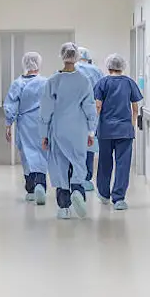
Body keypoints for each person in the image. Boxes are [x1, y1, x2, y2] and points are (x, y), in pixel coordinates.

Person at [40, 43, 97, 219]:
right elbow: (90, 108)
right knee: (79, 163)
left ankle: (64, 207)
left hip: (58, 129)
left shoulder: (53, 81)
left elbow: (46, 110)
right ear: (77, 57)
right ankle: (78, 191)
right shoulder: (84, 81)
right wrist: (91, 132)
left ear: (62, 56)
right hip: (78, 129)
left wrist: (43, 134)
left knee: (61, 166)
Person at [94, 54, 143, 210]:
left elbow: (97, 107)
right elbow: (135, 108)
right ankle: (119, 198)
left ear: (108, 67)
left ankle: (103, 194)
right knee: (123, 164)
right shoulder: (129, 83)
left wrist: (92, 127)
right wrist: (132, 125)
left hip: (105, 130)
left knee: (104, 162)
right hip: (124, 131)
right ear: (122, 67)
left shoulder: (102, 83)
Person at [4, 52, 49, 205]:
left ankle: (30, 189)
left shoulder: (18, 83)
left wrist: (8, 124)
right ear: (39, 63)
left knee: (27, 155)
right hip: (43, 122)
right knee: (42, 154)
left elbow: (11, 105)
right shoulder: (46, 82)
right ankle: (41, 184)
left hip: (24, 123)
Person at [76, 47, 105, 192]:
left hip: (71, 115)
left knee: (72, 148)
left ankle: (74, 178)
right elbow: (102, 93)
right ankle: (86, 179)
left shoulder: (69, 70)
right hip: (91, 114)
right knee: (89, 145)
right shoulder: (96, 71)